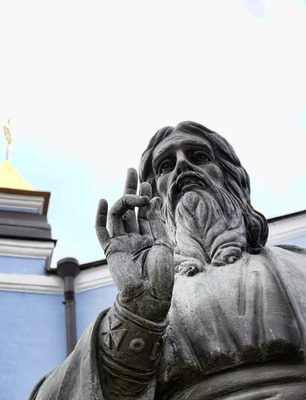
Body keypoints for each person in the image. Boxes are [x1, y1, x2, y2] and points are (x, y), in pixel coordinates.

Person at [30, 121, 306, 400]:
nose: (182, 167)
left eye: (199, 157)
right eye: (165, 165)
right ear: (155, 199)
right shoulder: (146, 297)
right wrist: (135, 317)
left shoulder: (297, 268)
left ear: (230, 179)